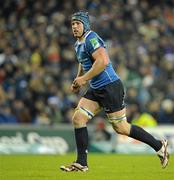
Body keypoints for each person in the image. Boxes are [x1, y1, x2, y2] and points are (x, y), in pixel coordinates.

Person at [60, 11, 169, 172]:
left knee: (121, 128)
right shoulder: (78, 43)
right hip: (96, 88)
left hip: (110, 86)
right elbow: (83, 61)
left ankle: (159, 145)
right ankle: (81, 163)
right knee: (78, 118)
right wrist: (78, 79)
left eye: (78, 23)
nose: (74, 27)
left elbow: (103, 61)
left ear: (85, 25)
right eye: (72, 24)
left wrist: (83, 79)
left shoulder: (92, 38)